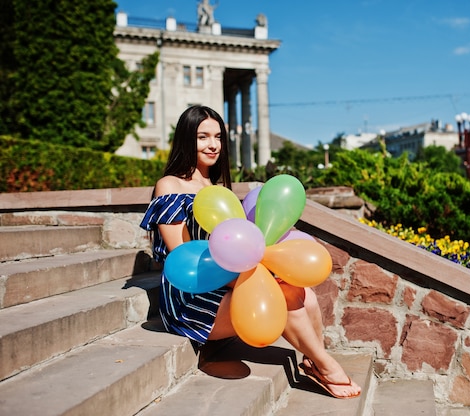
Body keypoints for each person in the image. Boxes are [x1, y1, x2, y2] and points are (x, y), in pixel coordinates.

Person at [140, 105, 361, 399]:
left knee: (302, 293)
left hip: (226, 280)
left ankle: (314, 361)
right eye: (203, 136)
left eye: (218, 136)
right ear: (185, 139)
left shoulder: (215, 186)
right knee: (280, 296)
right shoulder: (170, 185)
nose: (213, 144)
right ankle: (327, 366)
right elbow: (180, 255)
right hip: (190, 294)